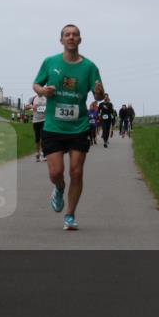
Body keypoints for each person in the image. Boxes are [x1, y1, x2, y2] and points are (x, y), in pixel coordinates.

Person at [32, 24, 104, 231]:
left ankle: (70, 215)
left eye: (75, 34)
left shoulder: (90, 67)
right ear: (61, 40)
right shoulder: (50, 62)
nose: (71, 37)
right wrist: (43, 91)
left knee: (76, 171)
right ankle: (59, 187)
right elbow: (36, 84)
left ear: (80, 39)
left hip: (79, 127)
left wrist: (99, 92)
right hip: (54, 126)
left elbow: (98, 95)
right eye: (67, 35)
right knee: (56, 172)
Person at [31, 93, 47, 161]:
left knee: (43, 136)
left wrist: (36, 108)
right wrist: (31, 106)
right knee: (37, 138)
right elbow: (27, 107)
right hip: (36, 121)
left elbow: (46, 109)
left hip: (44, 120)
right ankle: (37, 153)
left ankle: (43, 153)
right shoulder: (33, 98)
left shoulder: (45, 98)